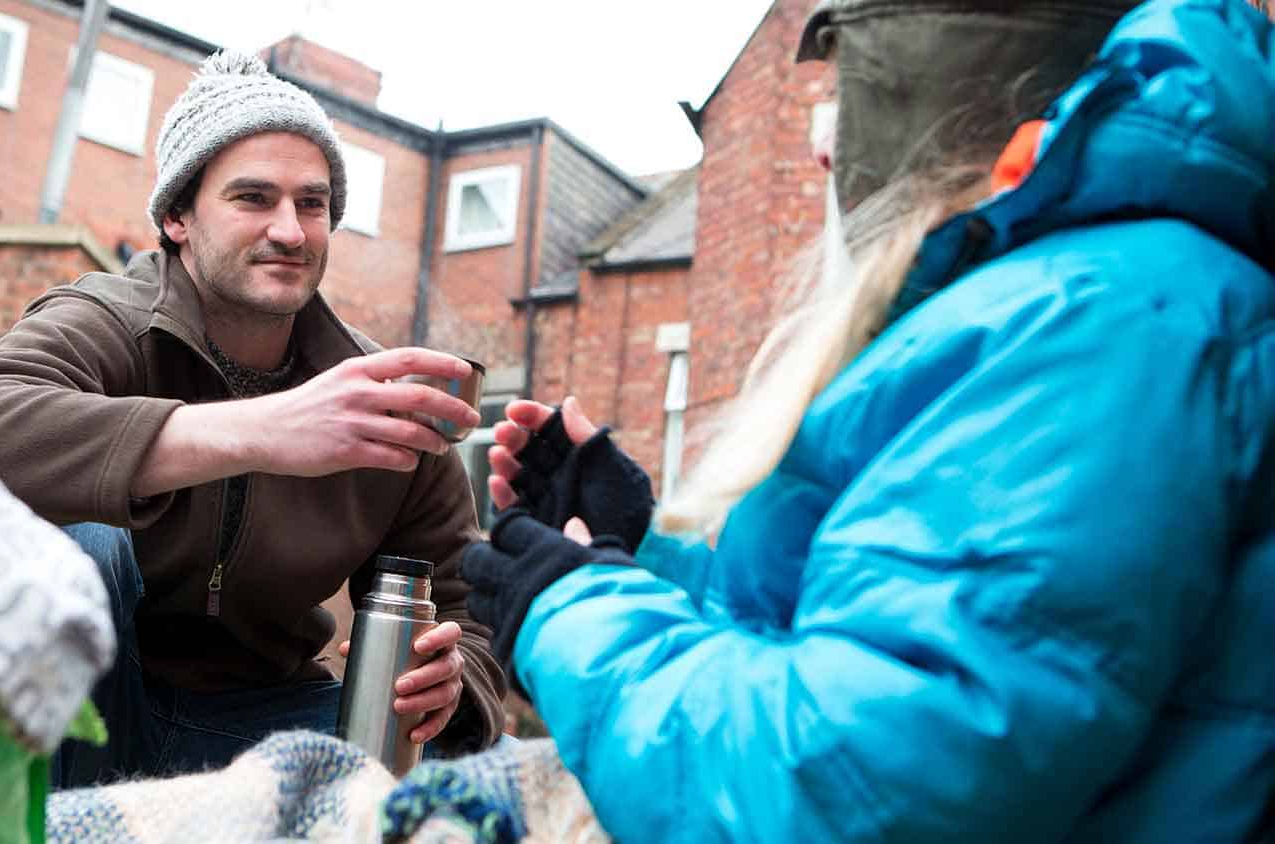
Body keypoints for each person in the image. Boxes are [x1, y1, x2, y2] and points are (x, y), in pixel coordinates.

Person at [460, 0, 1275, 840]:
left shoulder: (1098, 320)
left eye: (849, 110)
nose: (822, 152)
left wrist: (571, 611)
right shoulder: (1090, 298)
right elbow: (868, 650)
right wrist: (643, 561)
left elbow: (851, 791)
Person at [0, 51, 506, 785]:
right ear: (176, 217)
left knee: (464, 782)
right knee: (82, 537)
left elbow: (463, 600)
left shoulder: (374, 393)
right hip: (88, 706)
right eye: (254, 198)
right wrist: (259, 431)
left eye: (311, 204)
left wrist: (454, 682)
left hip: (267, 719)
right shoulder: (109, 321)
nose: (290, 230)